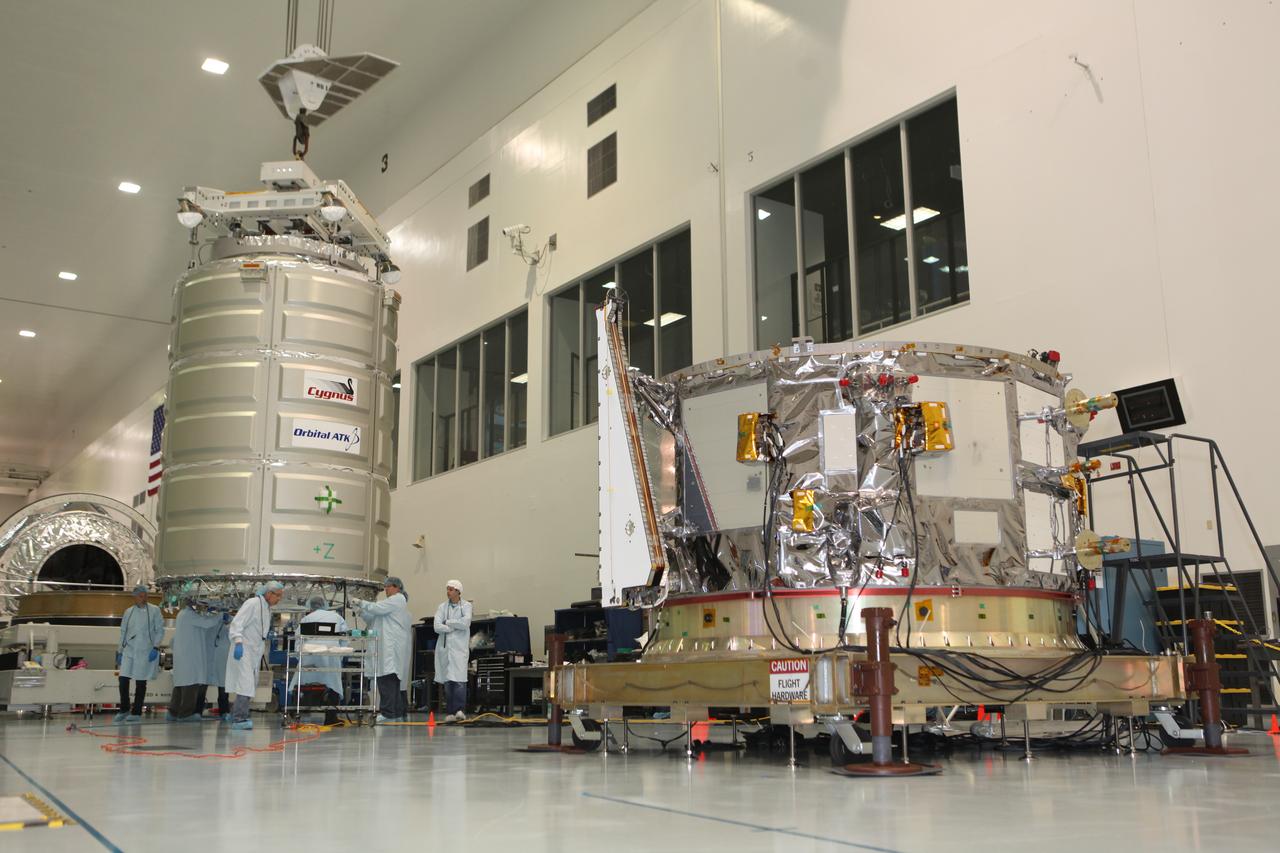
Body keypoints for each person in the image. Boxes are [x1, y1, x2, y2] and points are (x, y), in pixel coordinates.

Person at [225, 580, 284, 731]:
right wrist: (238, 642)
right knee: (246, 683)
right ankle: (239, 718)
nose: (279, 599)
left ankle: (235, 714)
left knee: (249, 683)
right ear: (269, 593)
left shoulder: (266, 608)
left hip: (255, 650)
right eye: (277, 596)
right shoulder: (252, 603)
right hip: (243, 648)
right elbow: (237, 623)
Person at [356, 577, 411, 724]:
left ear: (397, 587)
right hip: (386, 649)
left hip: (390, 649)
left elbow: (377, 608)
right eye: (385, 586)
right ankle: (396, 713)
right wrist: (360, 611)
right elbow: (373, 618)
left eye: (388, 586)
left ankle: (388, 713)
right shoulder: (389, 605)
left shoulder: (397, 599)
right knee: (391, 682)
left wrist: (361, 602)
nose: (386, 589)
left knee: (387, 681)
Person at [288, 595, 348, 724]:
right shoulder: (337, 617)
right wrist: (339, 655)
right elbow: (344, 638)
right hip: (330, 654)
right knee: (333, 684)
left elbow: (298, 639)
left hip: (310, 654)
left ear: (310, 606)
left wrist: (300, 656)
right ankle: (330, 718)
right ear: (325, 605)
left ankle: (295, 712)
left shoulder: (306, 619)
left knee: (302, 683)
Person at [115, 584, 164, 723]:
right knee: (123, 679)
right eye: (141, 596)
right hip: (129, 650)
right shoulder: (128, 612)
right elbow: (123, 632)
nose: (144, 598)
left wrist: (155, 647)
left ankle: (136, 712)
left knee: (141, 682)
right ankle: (124, 709)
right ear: (135, 597)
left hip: (145, 650)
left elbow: (160, 630)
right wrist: (120, 651)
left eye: (145, 596)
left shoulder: (154, 611)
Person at [167, 598, 222, 721]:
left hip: (185, 656)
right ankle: (186, 714)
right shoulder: (189, 615)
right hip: (190, 657)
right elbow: (207, 623)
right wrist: (220, 615)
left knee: (180, 685)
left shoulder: (183, 614)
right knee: (190, 686)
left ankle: (173, 712)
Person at [433, 579, 472, 722]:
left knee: (460, 680)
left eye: (450, 589)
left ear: (458, 591)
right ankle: (450, 711)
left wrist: (448, 622)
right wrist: (454, 625)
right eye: (447, 589)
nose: (448, 592)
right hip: (445, 649)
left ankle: (460, 710)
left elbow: (466, 623)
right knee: (448, 681)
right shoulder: (442, 607)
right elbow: (436, 626)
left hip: (459, 649)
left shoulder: (467, 606)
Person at [199, 612, 232, 720]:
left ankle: (224, 711)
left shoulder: (231, 621)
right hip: (208, 655)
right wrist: (217, 617)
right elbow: (205, 626)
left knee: (223, 686)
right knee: (203, 685)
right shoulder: (208, 619)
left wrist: (229, 621)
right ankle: (197, 711)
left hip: (222, 656)